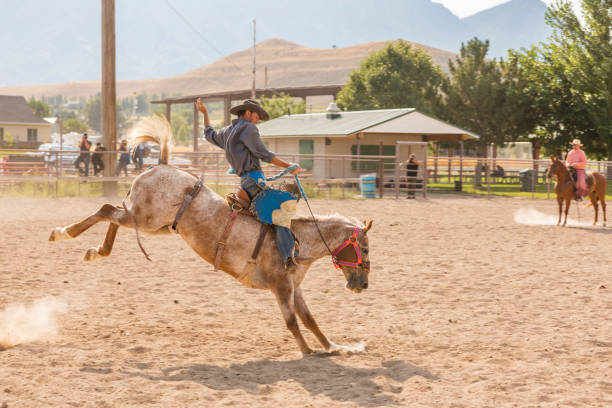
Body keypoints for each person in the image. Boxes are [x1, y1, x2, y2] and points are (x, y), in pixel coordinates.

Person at [196, 98, 301, 269]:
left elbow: (209, 134)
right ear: (247, 113)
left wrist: (205, 113)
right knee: (283, 208)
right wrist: (288, 166)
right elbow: (263, 154)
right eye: (256, 115)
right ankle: (289, 257)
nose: (257, 119)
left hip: (246, 181)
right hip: (254, 180)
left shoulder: (228, 132)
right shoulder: (249, 128)